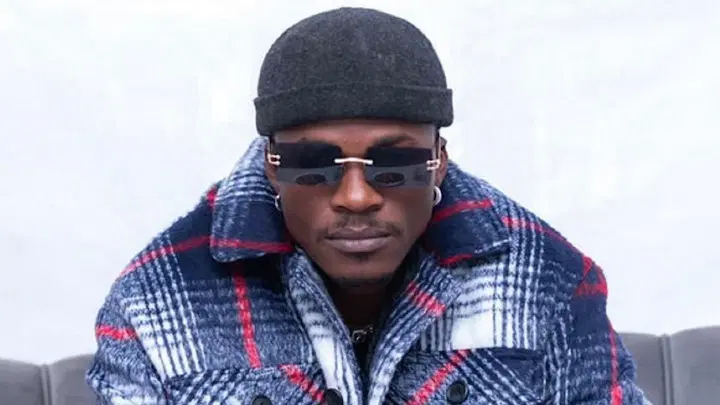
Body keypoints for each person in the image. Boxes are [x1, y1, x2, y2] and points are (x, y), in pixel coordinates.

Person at [86, 7, 652, 405]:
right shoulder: (153, 304)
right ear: (271, 166)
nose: (356, 197)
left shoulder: (548, 284)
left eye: (394, 163)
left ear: (439, 161)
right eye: (314, 163)